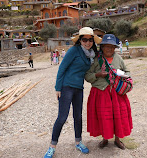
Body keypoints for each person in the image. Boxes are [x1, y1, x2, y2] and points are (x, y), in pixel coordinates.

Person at [43, 27, 102, 158]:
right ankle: (52, 147)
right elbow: (62, 68)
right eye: (84, 40)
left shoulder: (92, 54)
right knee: (62, 117)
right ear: (80, 40)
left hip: (79, 89)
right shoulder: (74, 51)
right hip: (66, 87)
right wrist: (57, 88)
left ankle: (78, 142)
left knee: (78, 116)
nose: (87, 42)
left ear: (93, 41)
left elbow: (94, 69)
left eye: (90, 40)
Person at [85, 34, 133, 150]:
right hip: (101, 93)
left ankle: (117, 139)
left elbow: (127, 71)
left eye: (112, 47)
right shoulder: (97, 60)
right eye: (106, 46)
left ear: (115, 48)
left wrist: (125, 77)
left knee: (118, 116)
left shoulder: (118, 59)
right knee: (103, 116)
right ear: (102, 47)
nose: (109, 49)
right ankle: (105, 139)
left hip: (116, 93)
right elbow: (87, 75)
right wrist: (98, 74)